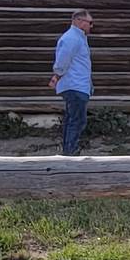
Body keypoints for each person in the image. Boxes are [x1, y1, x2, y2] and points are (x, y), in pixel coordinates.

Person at [49, 9, 94, 156]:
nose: (91, 26)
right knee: (77, 120)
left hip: (78, 85)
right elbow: (63, 60)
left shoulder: (79, 38)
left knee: (73, 119)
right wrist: (58, 74)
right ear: (79, 21)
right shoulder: (71, 38)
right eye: (90, 22)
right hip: (74, 85)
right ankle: (70, 152)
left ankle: (69, 150)